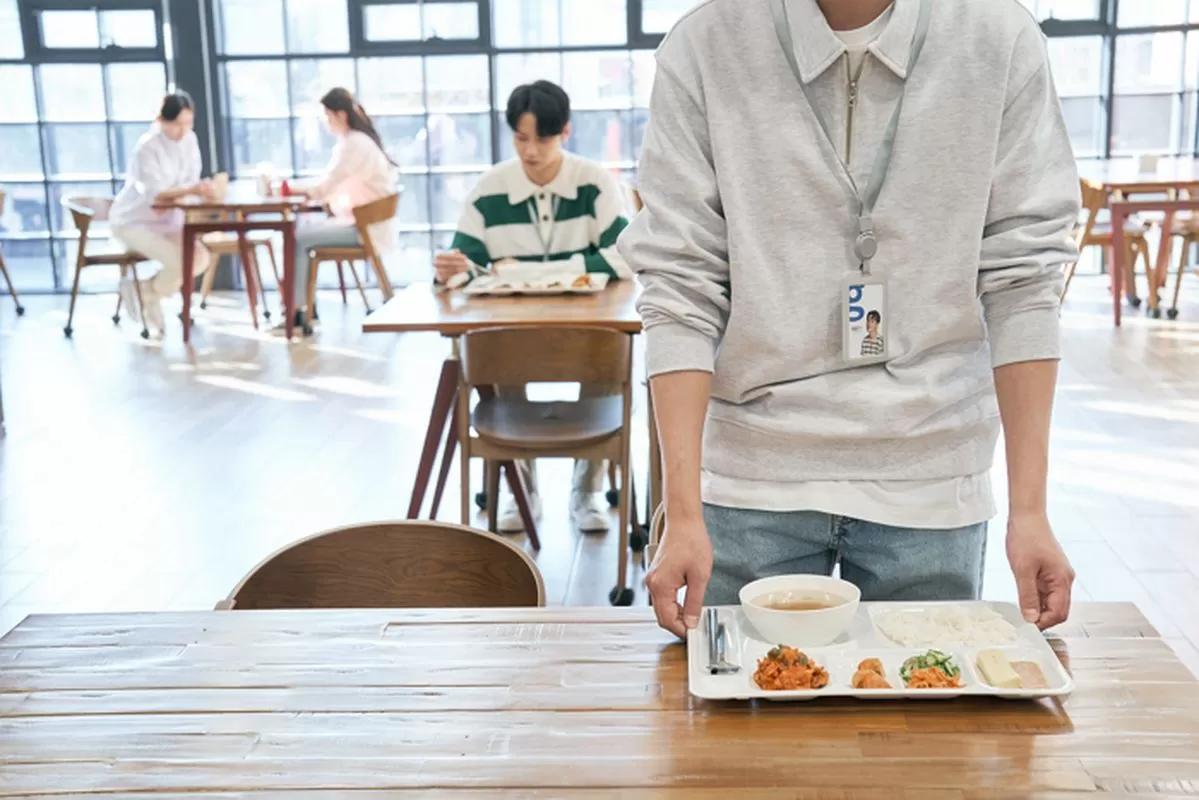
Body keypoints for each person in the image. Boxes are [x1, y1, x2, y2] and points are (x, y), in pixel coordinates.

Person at [619, 0, 1079, 637]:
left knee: (921, 726)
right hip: (748, 483)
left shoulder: (997, 37)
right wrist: (683, 511)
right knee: (733, 732)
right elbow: (679, 289)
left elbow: (1025, 281)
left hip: (932, 477)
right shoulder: (706, 44)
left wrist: (1030, 510)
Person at [434, 80, 632, 534]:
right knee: (498, 369)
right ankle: (520, 494)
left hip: (590, 330)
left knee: (605, 370)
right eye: (521, 138)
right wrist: (448, 269)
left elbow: (623, 257)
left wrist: (520, 272)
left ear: (565, 131)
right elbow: (467, 267)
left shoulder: (593, 182)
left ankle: (587, 492)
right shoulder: (490, 188)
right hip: (510, 332)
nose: (531, 151)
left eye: (542, 138)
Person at [290, 87, 399, 332]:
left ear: (341, 115)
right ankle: (304, 307)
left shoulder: (354, 144)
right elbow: (331, 186)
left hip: (365, 229)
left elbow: (327, 186)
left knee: (298, 239)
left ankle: (298, 312)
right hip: (365, 224)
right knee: (304, 232)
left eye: (328, 116)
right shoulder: (355, 142)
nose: (326, 123)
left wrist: (287, 190)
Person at [111, 91, 213, 334]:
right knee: (180, 263)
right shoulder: (147, 147)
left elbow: (190, 181)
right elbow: (155, 195)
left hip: (169, 221)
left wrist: (201, 189)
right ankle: (148, 295)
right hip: (133, 222)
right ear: (161, 120)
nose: (183, 130)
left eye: (188, 123)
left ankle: (144, 291)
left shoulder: (189, 140)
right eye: (177, 124)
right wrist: (192, 189)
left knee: (200, 258)